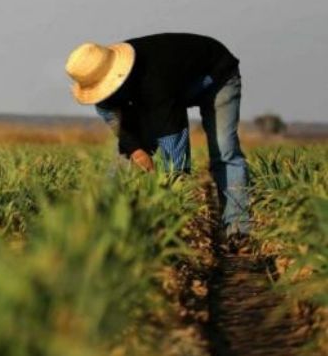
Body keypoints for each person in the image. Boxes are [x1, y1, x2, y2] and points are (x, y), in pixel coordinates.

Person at [64, 33, 250, 248]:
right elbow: (120, 127)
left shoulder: (154, 81)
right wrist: (136, 151)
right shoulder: (104, 94)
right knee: (123, 164)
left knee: (223, 150)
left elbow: (174, 140)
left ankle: (237, 230)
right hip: (171, 88)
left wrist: (174, 196)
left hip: (215, 76)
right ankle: (105, 227)